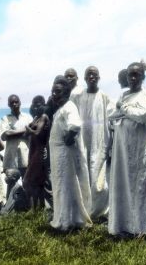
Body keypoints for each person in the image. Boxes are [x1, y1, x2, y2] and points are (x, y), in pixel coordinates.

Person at [108, 62, 146, 238]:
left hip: (140, 149)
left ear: (143, 77)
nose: (132, 78)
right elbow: (111, 115)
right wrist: (128, 111)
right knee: (124, 184)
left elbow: (143, 115)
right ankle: (125, 226)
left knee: (142, 185)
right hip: (122, 149)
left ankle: (145, 228)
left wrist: (124, 110)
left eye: (136, 74)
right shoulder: (123, 95)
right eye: (130, 75)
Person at [71, 66, 114, 221]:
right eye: (89, 74)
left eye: (95, 74)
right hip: (82, 142)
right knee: (83, 175)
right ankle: (85, 211)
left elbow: (113, 118)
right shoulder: (77, 96)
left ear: (99, 77)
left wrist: (111, 146)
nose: (92, 77)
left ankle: (101, 212)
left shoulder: (104, 97)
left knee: (98, 179)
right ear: (84, 78)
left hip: (100, 143)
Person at [49, 76, 92, 232]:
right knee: (63, 185)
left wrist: (68, 138)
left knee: (64, 186)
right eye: (53, 91)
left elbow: (75, 124)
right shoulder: (60, 108)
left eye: (58, 91)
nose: (54, 94)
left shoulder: (69, 106)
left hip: (64, 155)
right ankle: (68, 219)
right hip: (58, 155)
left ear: (67, 92)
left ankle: (65, 222)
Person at [23, 96, 51, 210]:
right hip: (33, 150)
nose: (36, 106)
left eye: (39, 104)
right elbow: (26, 134)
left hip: (40, 150)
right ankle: (37, 208)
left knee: (33, 180)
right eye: (34, 104)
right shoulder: (36, 118)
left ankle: (40, 207)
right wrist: (29, 129)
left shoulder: (44, 117)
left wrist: (29, 129)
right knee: (34, 181)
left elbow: (37, 133)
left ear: (43, 104)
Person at [0, 94, 33, 177]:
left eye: (16, 102)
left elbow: (33, 133)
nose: (14, 104)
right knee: (12, 185)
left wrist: (13, 133)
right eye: (12, 103)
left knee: (27, 184)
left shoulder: (28, 117)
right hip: (11, 159)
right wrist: (25, 130)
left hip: (26, 157)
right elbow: (5, 135)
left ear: (20, 102)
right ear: (8, 105)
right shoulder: (5, 118)